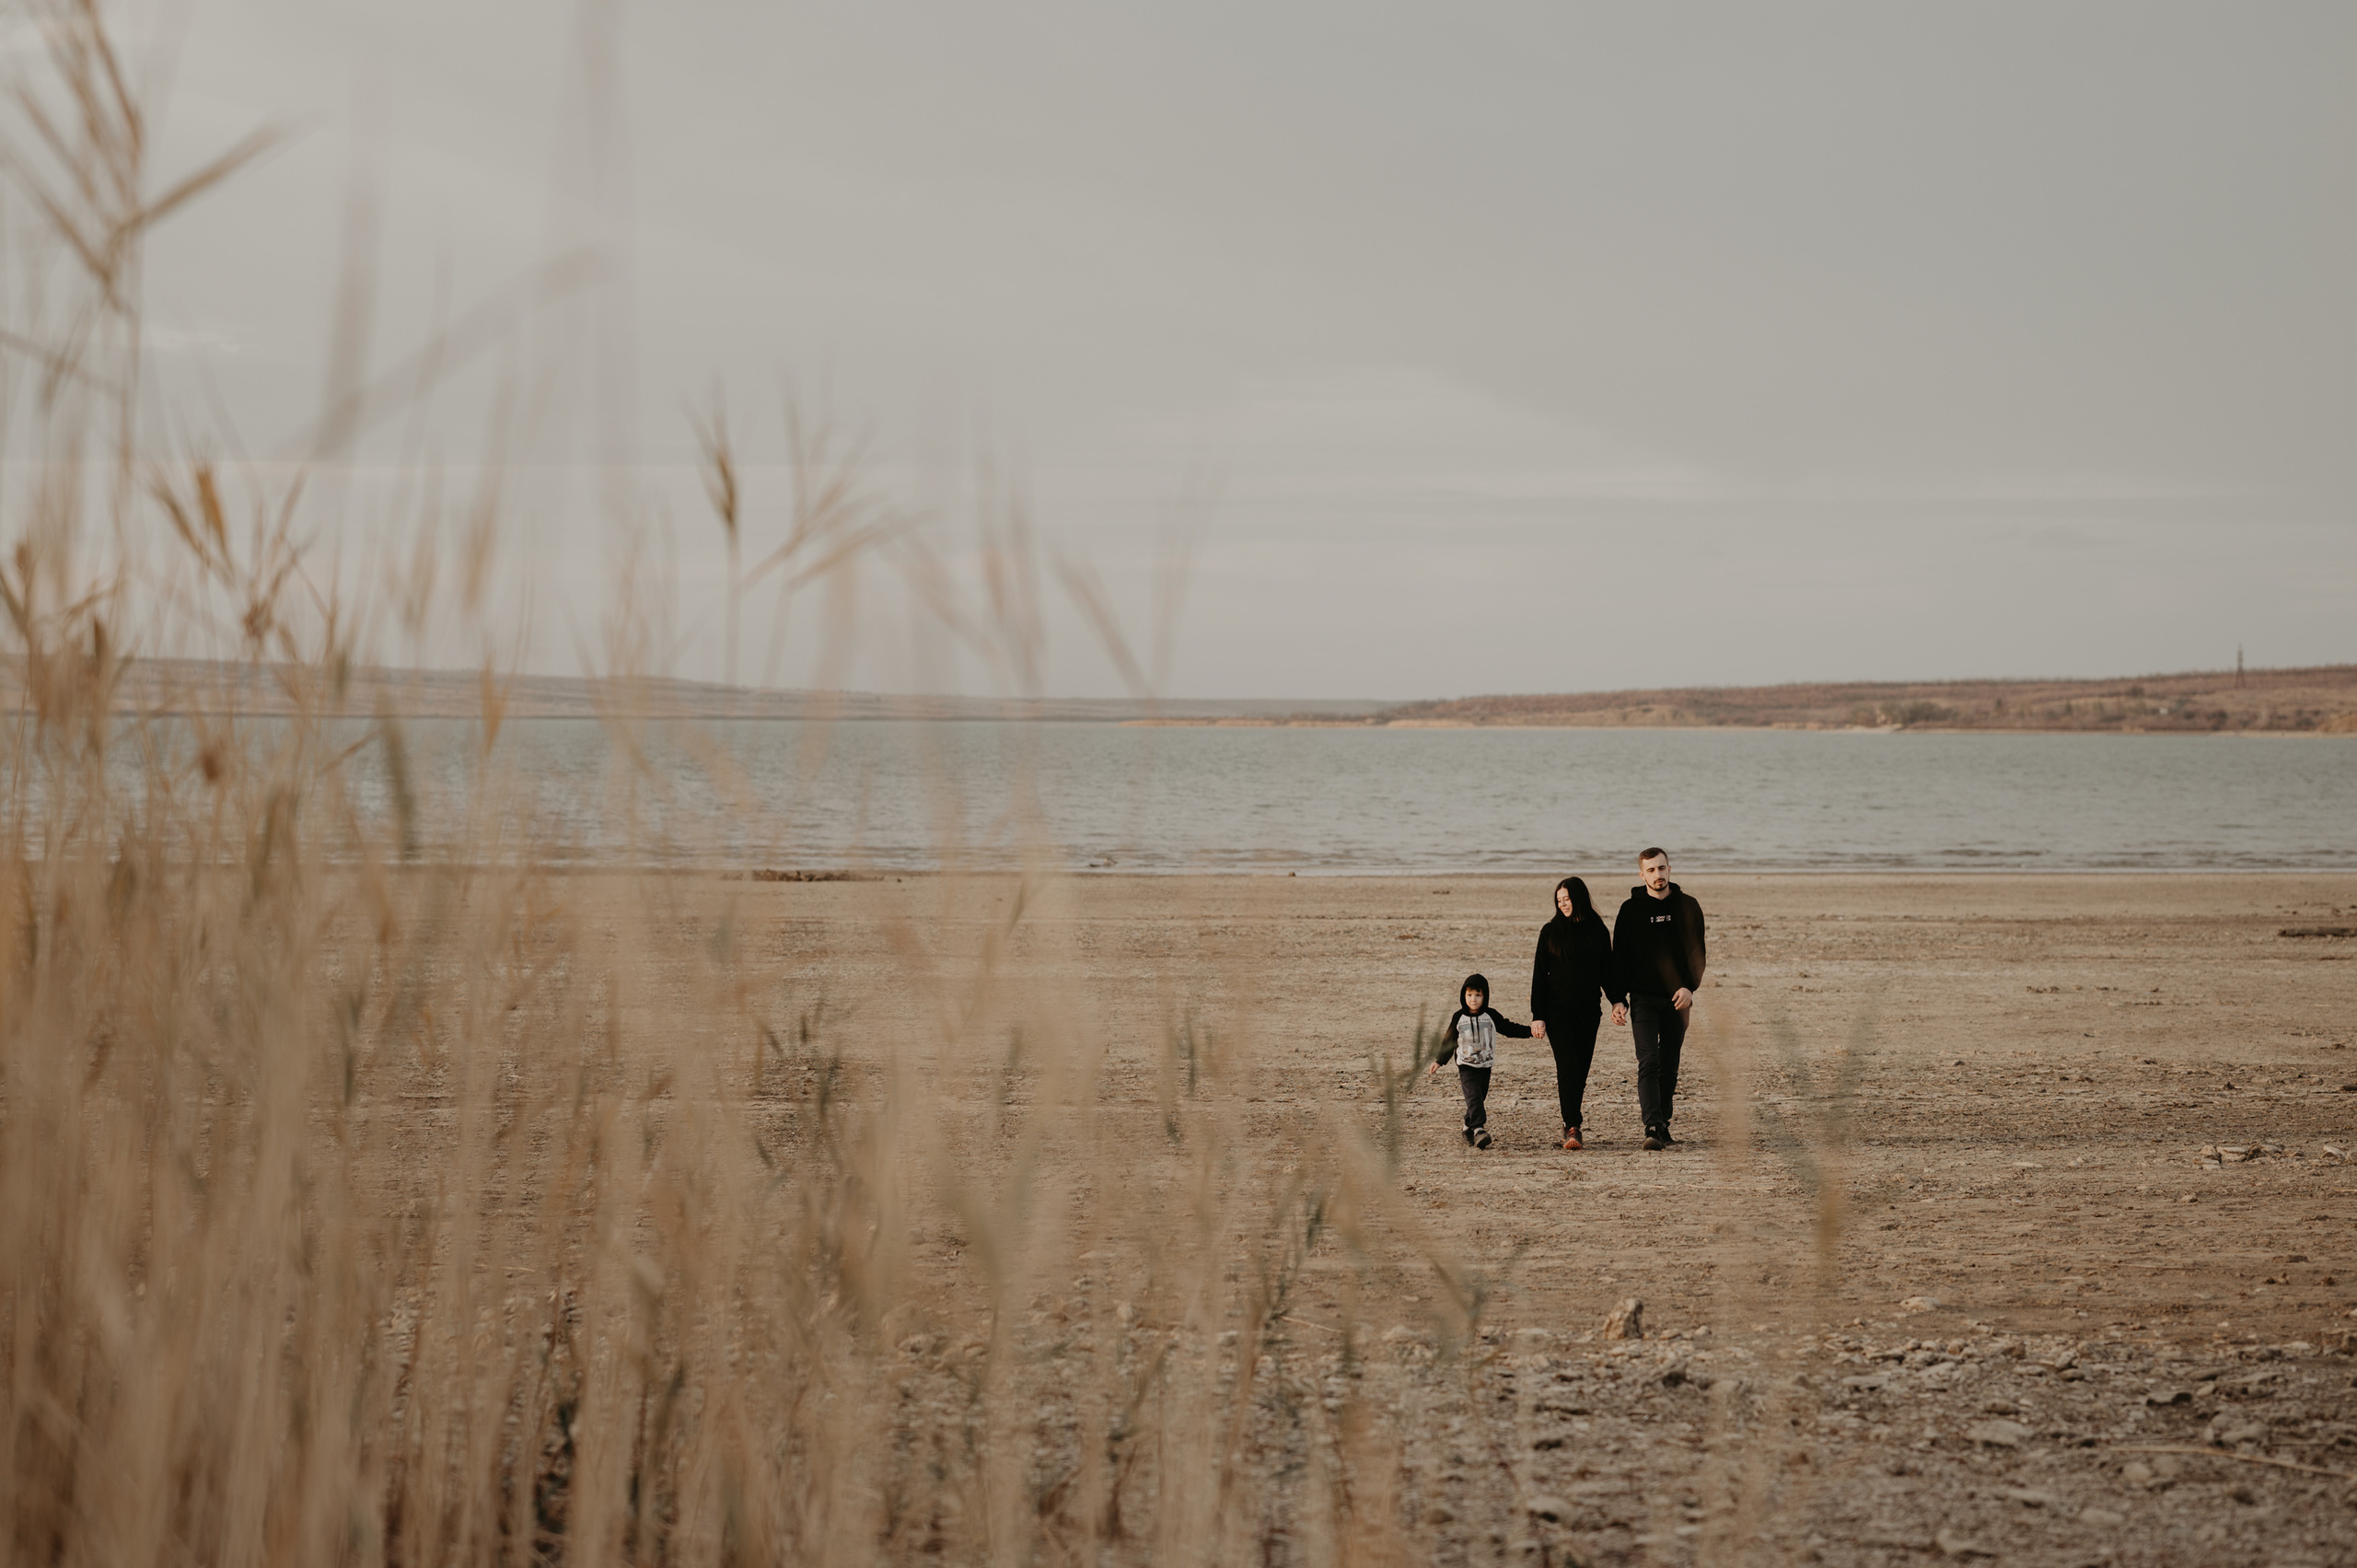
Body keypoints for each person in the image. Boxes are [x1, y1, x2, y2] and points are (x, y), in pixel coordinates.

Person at [1611, 848, 1706, 1151]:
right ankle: (1652, 1125)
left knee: (1670, 1064)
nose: (1658, 875)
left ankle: (1663, 1122)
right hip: (1643, 999)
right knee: (1648, 1060)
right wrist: (1618, 999)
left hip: (1678, 999)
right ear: (1642, 874)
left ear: (1670, 869)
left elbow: (1697, 954)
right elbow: (1620, 958)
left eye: (1662, 868)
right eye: (1651, 870)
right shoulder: (1630, 910)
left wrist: (1690, 987)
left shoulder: (1688, 906)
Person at [1529, 877, 1621, 1150]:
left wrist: (1617, 1001)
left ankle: (1571, 1123)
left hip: (1589, 1013)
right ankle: (1572, 1126)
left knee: (1580, 1071)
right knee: (1568, 1068)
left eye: (1566, 899)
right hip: (1558, 1014)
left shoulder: (1598, 930)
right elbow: (1539, 976)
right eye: (1559, 901)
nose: (1563, 904)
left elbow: (1608, 972)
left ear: (1579, 897)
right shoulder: (1550, 931)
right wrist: (1538, 1014)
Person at [1425, 972, 1540, 1150]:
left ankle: (1466, 1127)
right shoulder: (1458, 1017)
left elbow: (1508, 1028)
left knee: (1478, 1098)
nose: (1473, 999)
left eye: (1478, 995)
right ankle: (1479, 1130)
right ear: (1464, 996)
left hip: (1485, 1065)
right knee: (1474, 1098)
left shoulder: (1491, 1015)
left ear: (1485, 996)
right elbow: (1449, 1041)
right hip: (1466, 1065)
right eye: (1469, 995)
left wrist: (1530, 1031)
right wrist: (1439, 1061)